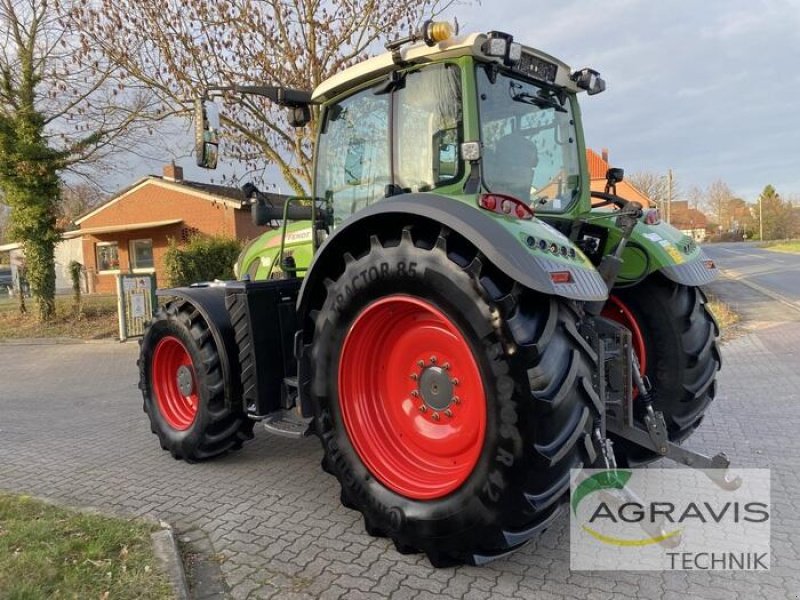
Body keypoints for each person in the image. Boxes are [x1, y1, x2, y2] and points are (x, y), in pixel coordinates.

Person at [483, 131, 538, 201]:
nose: (531, 172)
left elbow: (538, 200)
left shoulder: (528, 197)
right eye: (527, 166)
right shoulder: (499, 198)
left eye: (531, 167)